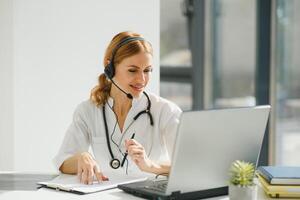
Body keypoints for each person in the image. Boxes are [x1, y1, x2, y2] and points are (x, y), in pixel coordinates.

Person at [53, 31, 182, 185]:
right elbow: (63, 162)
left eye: (147, 71)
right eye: (133, 70)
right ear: (110, 67)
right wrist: (81, 157)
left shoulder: (166, 111)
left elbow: (189, 167)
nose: (142, 79)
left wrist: (150, 165)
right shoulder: (87, 111)